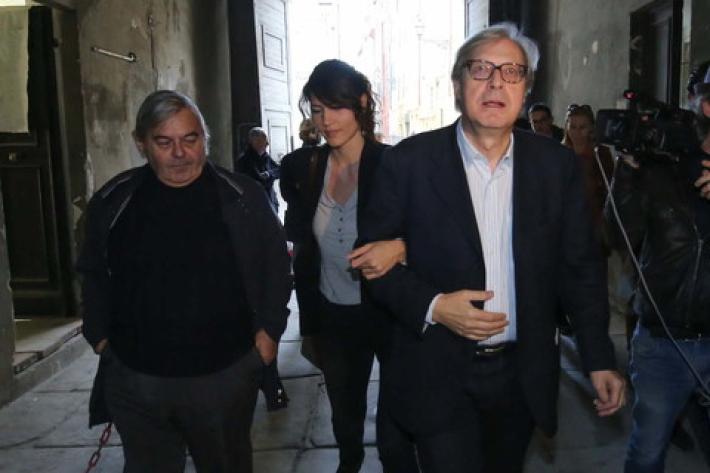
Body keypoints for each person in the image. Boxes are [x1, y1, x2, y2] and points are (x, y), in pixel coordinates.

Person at [358, 23, 625, 473]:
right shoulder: (408, 162)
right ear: (457, 84)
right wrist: (435, 306)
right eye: (481, 69)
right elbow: (372, 263)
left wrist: (598, 358)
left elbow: (579, 268)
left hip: (521, 373)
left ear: (525, 89)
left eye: (512, 71)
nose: (496, 82)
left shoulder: (554, 166)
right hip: (438, 370)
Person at [77, 90, 291, 473]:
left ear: (204, 139)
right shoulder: (114, 201)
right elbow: (92, 271)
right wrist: (100, 337)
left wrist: (269, 332)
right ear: (141, 144)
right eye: (164, 142)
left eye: (191, 139)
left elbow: (276, 266)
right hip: (137, 379)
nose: (180, 153)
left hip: (223, 375)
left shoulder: (242, 198)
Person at [282, 59, 418, 473]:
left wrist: (402, 247)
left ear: (360, 103)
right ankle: (350, 462)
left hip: (388, 313)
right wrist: (308, 321)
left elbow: (432, 234)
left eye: (337, 107)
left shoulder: (395, 164)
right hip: (334, 314)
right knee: (344, 412)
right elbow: (302, 243)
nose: (326, 120)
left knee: (398, 422)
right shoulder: (303, 168)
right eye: (317, 109)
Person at [608, 60, 710, 473]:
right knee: (647, 451)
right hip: (663, 343)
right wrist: (627, 172)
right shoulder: (660, 167)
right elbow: (617, 234)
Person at [235, 126, 281, 212]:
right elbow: (258, 181)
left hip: (270, 200)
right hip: (254, 204)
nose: (267, 144)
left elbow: (279, 170)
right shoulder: (244, 160)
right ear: (254, 142)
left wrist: (269, 174)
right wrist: (268, 177)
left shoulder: (265, 157)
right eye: (264, 140)